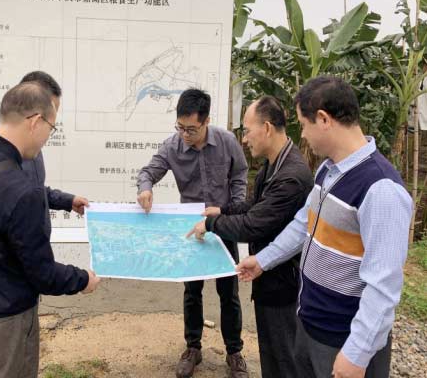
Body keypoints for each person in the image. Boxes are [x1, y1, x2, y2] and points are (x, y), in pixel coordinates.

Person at [237, 77, 413, 378]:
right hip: (310, 324)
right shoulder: (328, 171)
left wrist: (357, 353)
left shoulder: (380, 188)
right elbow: (303, 224)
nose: (303, 136)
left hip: (343, 340)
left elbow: (383, 286)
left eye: (304, 125)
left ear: (324, 119)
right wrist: (263, 260)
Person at [0, 82, 100, 377]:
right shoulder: (22, 190)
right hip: (8, 322)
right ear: (35, 122)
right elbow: (42, 274)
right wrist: (83, 280)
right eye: (51, 128)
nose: (47, 138)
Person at [186, 96, 313, 377]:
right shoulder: (274, 164)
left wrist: (211, 223)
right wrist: (223, 210)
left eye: (247, 130)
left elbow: (253, 225)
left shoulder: (290, 176)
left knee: (283, 358)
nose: (244, 139)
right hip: (268, 276)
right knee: (271, 353)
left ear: (266, 128)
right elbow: (255, 205)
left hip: (284, 285)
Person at [136, 88, 250, 378]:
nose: (185, 135)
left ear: (206, 121)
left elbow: (239, 174)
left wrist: (234, 209)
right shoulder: (172, 146)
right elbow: (148, 172)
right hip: (191, 228)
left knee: (229, 292)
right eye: (180, 127)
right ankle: (192, 348)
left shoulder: (226, 141)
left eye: (191, 129)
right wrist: (145, 189)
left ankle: (234, 351)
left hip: (222, 223)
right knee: (192, 291)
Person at [0, 71, 90, 222]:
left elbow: (35, 191)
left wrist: (67, 201)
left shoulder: (30, 148)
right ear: (36, 120)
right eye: (50, 125)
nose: (48, 134)